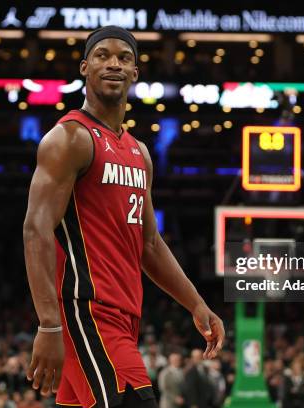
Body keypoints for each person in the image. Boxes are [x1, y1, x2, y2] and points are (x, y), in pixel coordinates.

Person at [22, 26, 225, 408]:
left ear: (135, 73)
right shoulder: (69, 138)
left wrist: (196, 303)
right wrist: (48, 323)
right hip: (86, 312)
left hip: (125, 315)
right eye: (102, 55)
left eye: (124, 57)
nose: (113, 63)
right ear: (84, 67)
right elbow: (36, 230)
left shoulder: (139, 152)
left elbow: (149, 243)